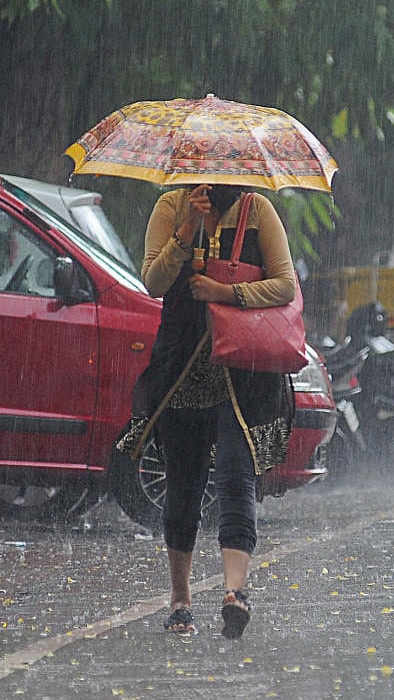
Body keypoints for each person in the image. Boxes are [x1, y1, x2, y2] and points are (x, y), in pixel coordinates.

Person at [128, 183, 296, 638]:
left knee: (237, 476)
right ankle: (180, 600)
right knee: (184, 483)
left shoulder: (257, 210)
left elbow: (284, 285)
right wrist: (186, 230)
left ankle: (235, 592)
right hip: (183, 369)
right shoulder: (171, 205)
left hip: (242, 374)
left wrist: (225, 292)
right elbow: (154, 282)